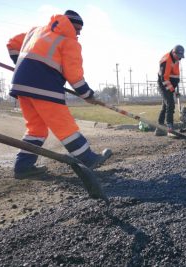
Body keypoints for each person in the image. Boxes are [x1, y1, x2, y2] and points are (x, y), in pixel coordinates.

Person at [6, 10, 112, 179]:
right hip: (45, 87)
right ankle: (88, 159)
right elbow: (75, 76)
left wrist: (21, 65)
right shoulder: (69, 42)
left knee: (36, 128)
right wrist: (87, 94)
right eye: (78, 30)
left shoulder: (36, 31)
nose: (78, 34)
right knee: (65, 125)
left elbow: (11, 44)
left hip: (21, 86)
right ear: (72, 26)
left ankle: (23, 166)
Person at [155, 45, 184, 137]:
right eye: (178, 56)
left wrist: (176, 86)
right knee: (170, 104)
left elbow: (175, 75)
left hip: (170, 84)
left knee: (165, 106)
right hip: (163, 84)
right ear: (174, 53)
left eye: (181, 57)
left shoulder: (177, 59)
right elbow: (164, 79)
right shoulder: (166, 60)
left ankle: (159, 129)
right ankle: (170, 128)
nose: (179, 59)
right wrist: (173, 90)